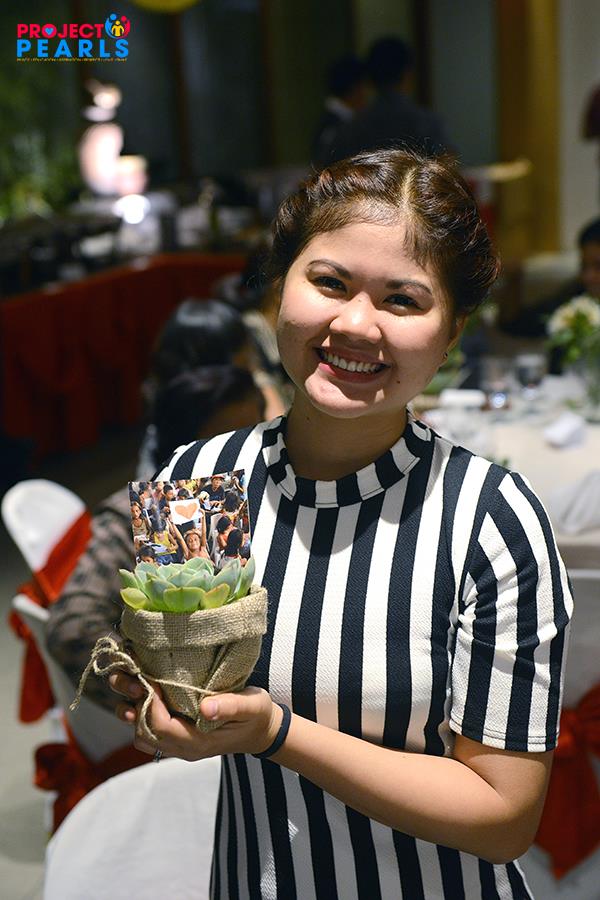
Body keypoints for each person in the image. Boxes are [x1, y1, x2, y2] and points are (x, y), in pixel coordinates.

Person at [110, 149, 572, 899]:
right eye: (329, 282)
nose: (356, 323)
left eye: (403, 300)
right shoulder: (197, 482)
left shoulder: (491, 519)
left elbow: (503, 816)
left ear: (452, 334)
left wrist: (278, 734)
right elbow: (178, 687)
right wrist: (154, 700)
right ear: (278, 291)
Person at [331, 37, 450, 162]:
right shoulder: (426, 123)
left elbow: (328, 168)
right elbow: (446, 165)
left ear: (370, 79)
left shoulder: (349, 129)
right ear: (408, 74)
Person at [312, 55, 370, 167]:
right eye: (365, 86)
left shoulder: (336, 121)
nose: (367, 94)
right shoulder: (336, 126)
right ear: (355, 88)